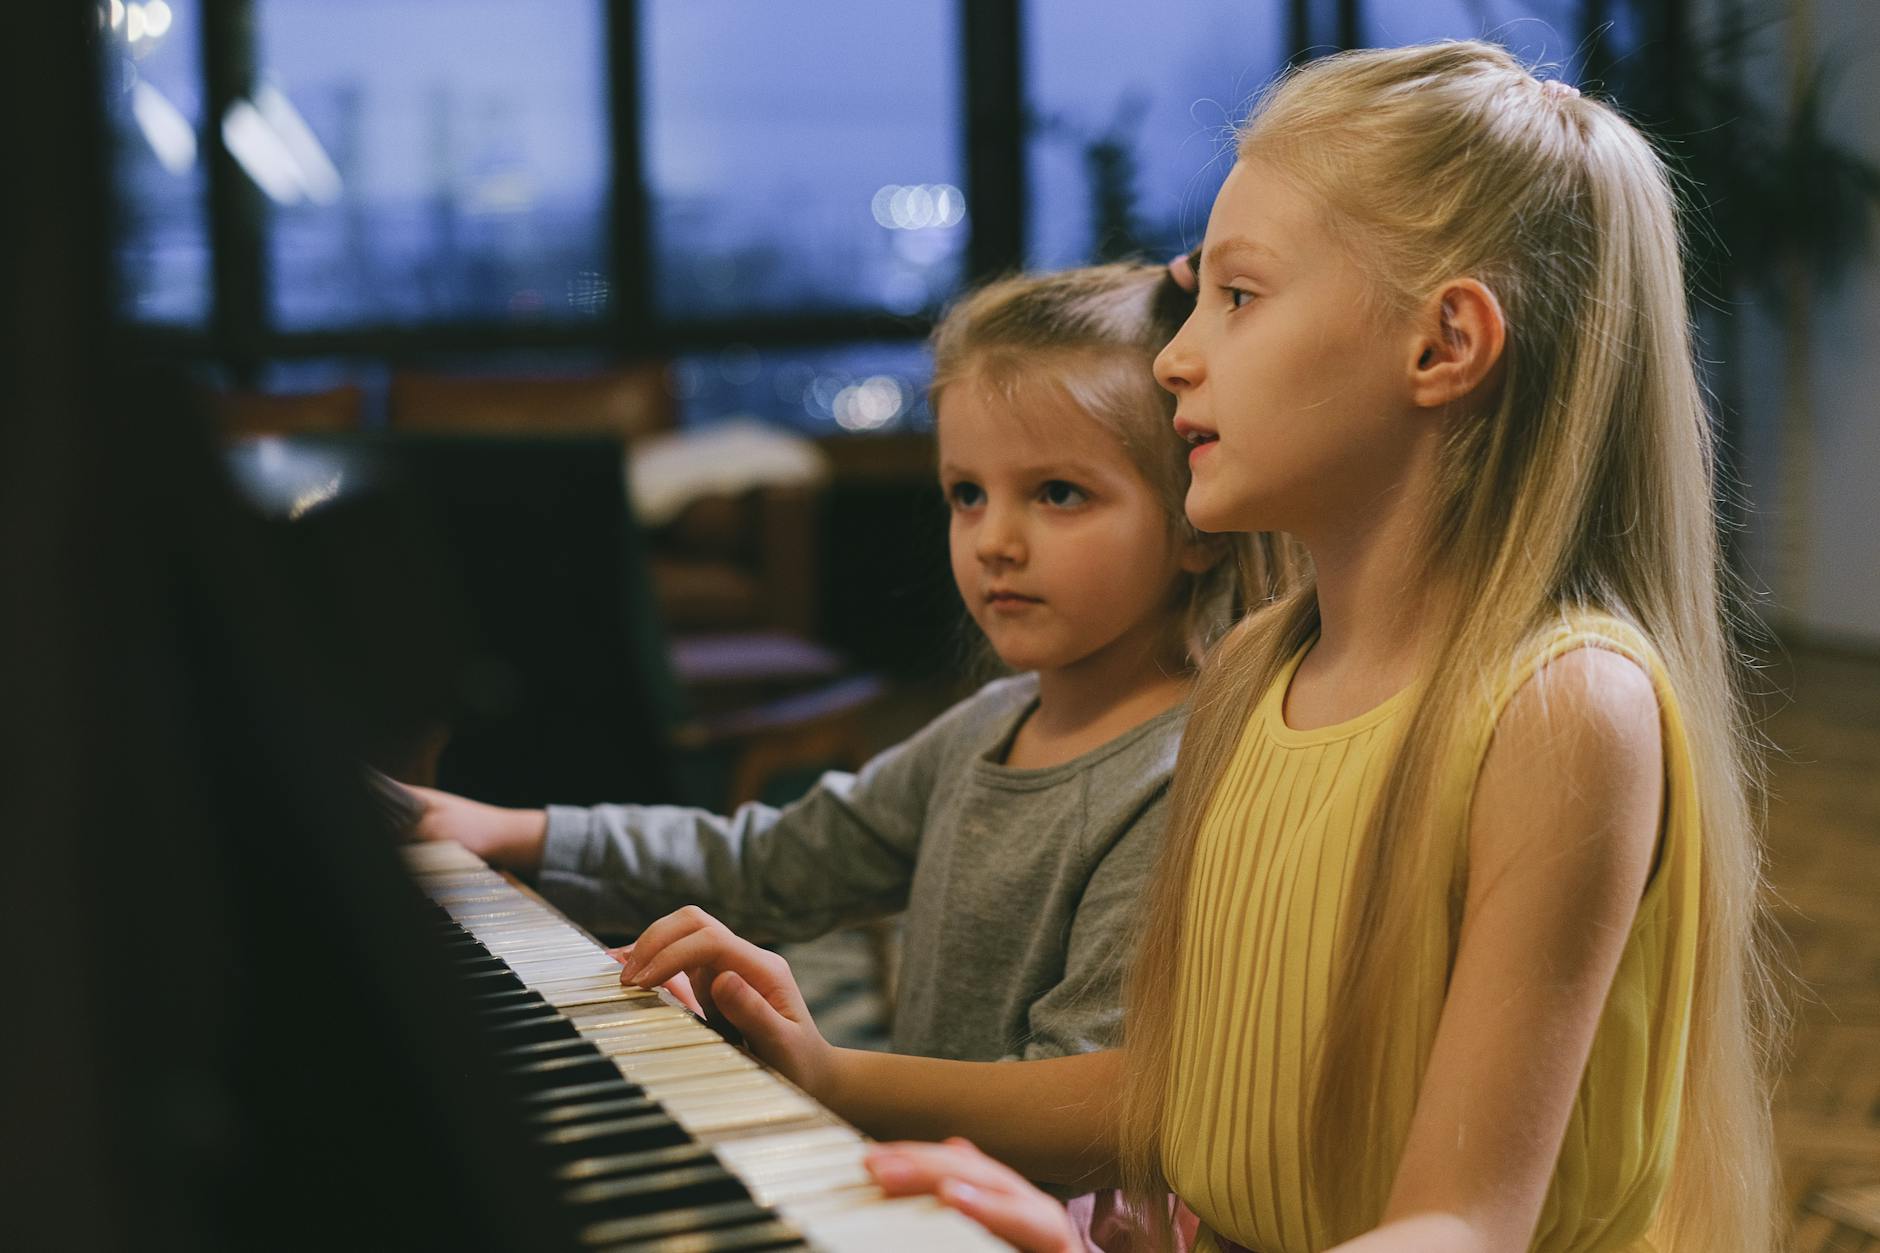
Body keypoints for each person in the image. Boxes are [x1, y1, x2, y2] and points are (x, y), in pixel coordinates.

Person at [616, 41, 1782, 1253]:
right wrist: (832, 1075)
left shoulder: (1559, 708)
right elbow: (1181, 1101)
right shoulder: (1254, 672)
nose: (1174, 353)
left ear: (1441, 345)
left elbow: (1456, 1227)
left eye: (1237, 295)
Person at [409, 261, 1285, 1075]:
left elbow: (1086, 1102)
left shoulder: (1177, 775)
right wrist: (513, 830)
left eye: (1058, 493)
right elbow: (771, 862)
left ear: (1197, 524)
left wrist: (823, 1073)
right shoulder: (990, 726)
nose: (994, 542)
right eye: (966, 494)